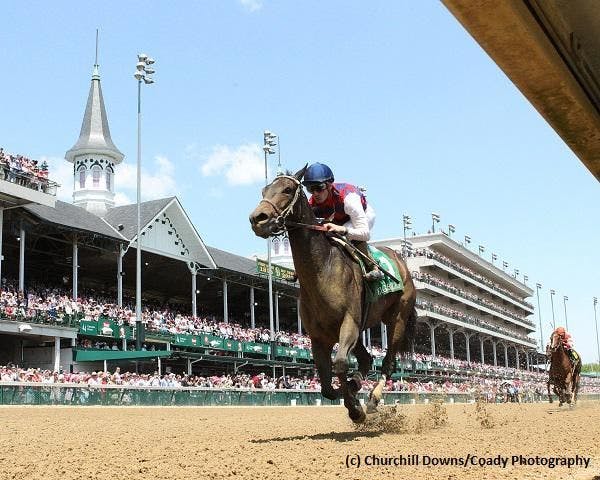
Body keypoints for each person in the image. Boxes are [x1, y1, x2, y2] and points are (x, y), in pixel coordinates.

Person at [302, 162, 383, 281]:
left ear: (329, 185)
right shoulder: (312, 203)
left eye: (319, 188)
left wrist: (343, 230)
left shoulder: (349, 199)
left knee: (343, 237)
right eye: (310, 189)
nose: (315, 194)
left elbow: (365, 234)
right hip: (339, 218)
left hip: (363, 216)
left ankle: (374, 267)